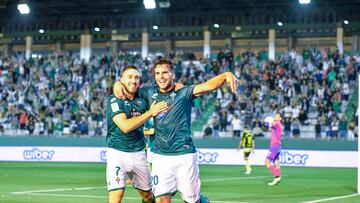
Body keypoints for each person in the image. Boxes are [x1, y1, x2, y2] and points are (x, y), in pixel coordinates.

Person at [114, 59, 237, 203]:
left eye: (165, 73)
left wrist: (225, 75)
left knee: (192, 201)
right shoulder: (149, 92)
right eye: (157, 73)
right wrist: (117, 84)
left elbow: (207, 86)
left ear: (172, 74)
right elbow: (130, 87)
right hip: (161, 156)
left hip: (184, 155)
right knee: (161, 200)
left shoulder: (184, 92)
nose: (161, 77)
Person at [106, 65, 169, 203]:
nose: (133, 80)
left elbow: (165, 91)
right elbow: (125, 127)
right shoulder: (114, 100)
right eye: (129, 77)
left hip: (138, 153)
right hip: (117, 153)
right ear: (122, 80)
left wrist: (177, 86)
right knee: (116, 197)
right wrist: (150, 113)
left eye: (136, 77)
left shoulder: (143, 97)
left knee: (147, 196)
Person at [265, 113, 283, 186]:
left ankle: (277, 176)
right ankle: (279, 176)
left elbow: (267, 124)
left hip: (274, 146)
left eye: (277, 116)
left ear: (280, 118)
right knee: (276, 162)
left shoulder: (277, 124)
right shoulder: (277, 125)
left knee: (267, 162)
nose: (275, 117)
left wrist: (267, 120)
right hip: (278, 146)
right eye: (275, 115)